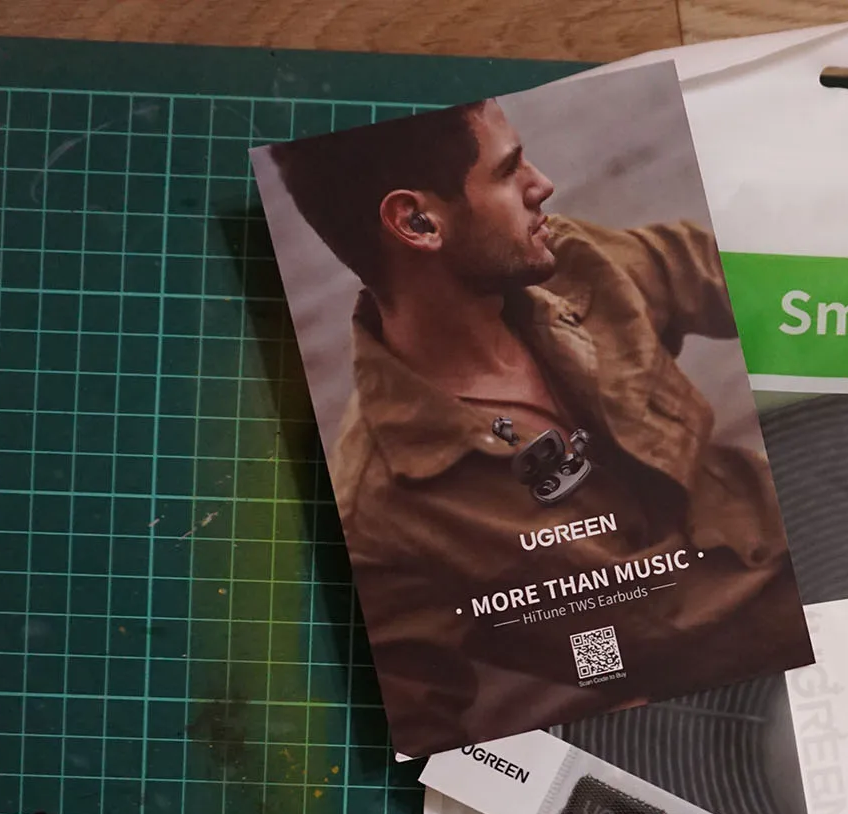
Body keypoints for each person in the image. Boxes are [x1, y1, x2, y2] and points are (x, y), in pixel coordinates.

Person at [269, 99, 808, 756]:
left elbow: (756, 286)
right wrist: (604, 739)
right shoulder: (379, 511)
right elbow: (414, 744)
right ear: (417, 222)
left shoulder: (572, 263)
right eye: (509, 170)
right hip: (735, 711)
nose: (542, 184)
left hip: (818, 535)